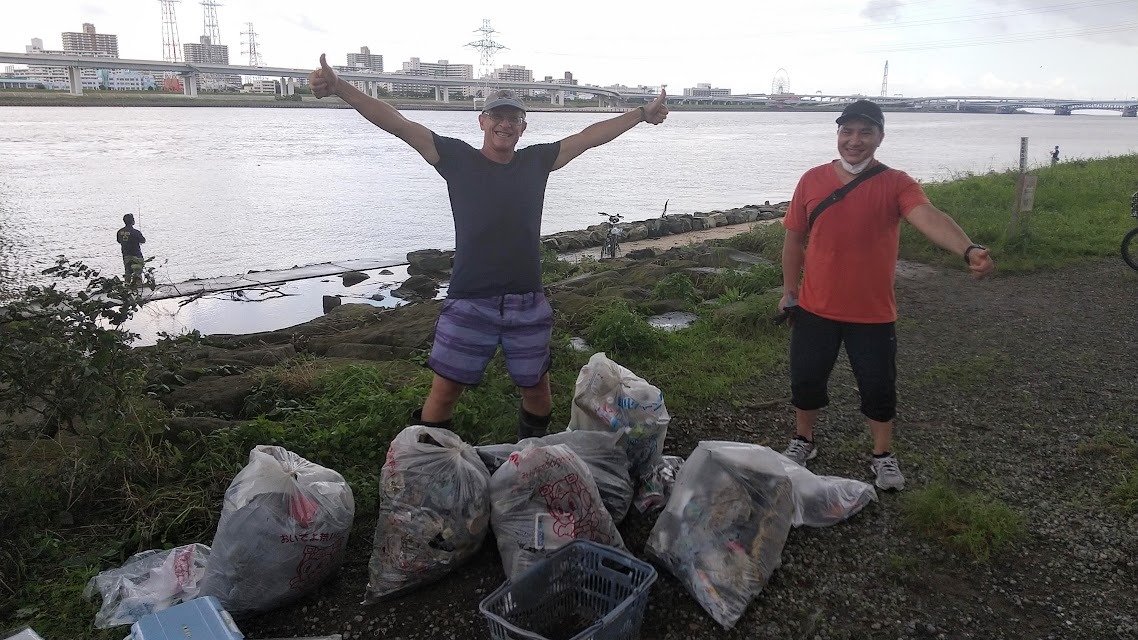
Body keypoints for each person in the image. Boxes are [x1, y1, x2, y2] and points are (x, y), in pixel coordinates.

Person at [308, 54, 668, 441]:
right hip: (469, 300)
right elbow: (397, 123)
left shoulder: (536, 161)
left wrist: (640, 114)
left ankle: (527, 462)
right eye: (497, 116)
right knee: (444, 393)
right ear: (482, 121)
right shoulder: (456, 159)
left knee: (538, 394)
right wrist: (341, 88)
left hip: (526, 300)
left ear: (523, 126)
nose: (505, 124)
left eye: (514, 118)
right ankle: (427, 465)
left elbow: (589, 137)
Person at [777, 99, 995, 491]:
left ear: (880, 137)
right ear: (838, 134)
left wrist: (968, 248)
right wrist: (790, 291)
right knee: (806, 380)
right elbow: (794, 239)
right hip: (814, 307)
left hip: (873, 314)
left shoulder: (897, 182)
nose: (854, 141)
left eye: (865, 132)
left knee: (878, 386)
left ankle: (882, 455)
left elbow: (928, 216)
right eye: (847, 131)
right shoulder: (811, 180)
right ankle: (803, 440)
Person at [116, 213, 146, 285]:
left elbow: (119, 241)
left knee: (128, 273)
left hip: (126, 255)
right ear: (132, 221)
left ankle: (127, 288)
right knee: (137, 273)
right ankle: (139, 288)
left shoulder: (119, 232)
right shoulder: (136, 232)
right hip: (136, 255)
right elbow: (143, 240)